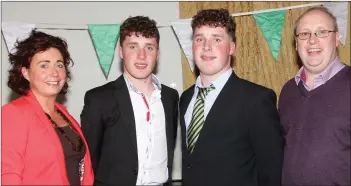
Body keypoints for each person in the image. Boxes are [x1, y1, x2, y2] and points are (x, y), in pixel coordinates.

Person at [179, 8, 284, 186]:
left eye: (217, 39)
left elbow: (272, 171)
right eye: (200, 39)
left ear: (232, 48)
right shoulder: (185, 98)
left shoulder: (257, 100)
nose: (206, 46)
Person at [80, 15, 179, 186]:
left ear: (158, 53)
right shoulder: (99, 99)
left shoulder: (171, 97)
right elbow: (88, 160)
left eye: (149, 47)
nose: (141, 56)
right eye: (133, 47)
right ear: (121, 51)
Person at [1, 30, 94, 185]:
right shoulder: (13, 114)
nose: (54, 73)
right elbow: (8, 173)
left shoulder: (64, 114)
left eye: (59, 65)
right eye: (44, 65)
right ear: (26, 73)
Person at [279, 7, 350, 186]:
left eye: (321, 32)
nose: (312, 40)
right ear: (296, 44)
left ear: (336, 38)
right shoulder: (287, 91)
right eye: (304, 34)